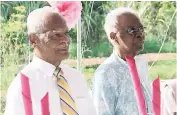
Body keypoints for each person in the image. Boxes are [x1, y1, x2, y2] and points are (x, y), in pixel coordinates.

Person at [5, 6, 96, 115]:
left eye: (66, 33)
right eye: (56, 35)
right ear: (34, 40)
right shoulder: (22, 86)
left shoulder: (76, 77)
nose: (66, 40)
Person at [92, 7, 152, 115]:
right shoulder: (106, 72)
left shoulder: (141, 64)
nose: (139, 34)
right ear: (114, 36)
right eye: (132, 30)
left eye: (141, 29)